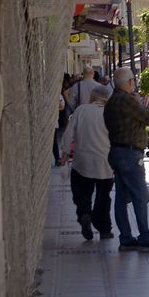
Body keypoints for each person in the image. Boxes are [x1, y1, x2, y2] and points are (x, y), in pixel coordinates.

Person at [102, 66, 149, 251]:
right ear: (129, 82)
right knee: (141, 196)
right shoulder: (127, 100)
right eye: (133, 81)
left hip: (117, 152)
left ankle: (125, 237)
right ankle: (145, 237)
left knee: (122, 197)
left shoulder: (111, 102)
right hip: (130, 154)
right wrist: (140, 103)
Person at [60, 83, 114, 240]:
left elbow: (69, 132)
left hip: (82, 161)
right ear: (107, 98)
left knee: (82, 193)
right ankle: (104, 229)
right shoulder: (110, 113)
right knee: (103, 196)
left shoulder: (81, 110)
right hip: (105, 163)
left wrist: (64, 153)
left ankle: (84, 213)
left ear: (92, 97)